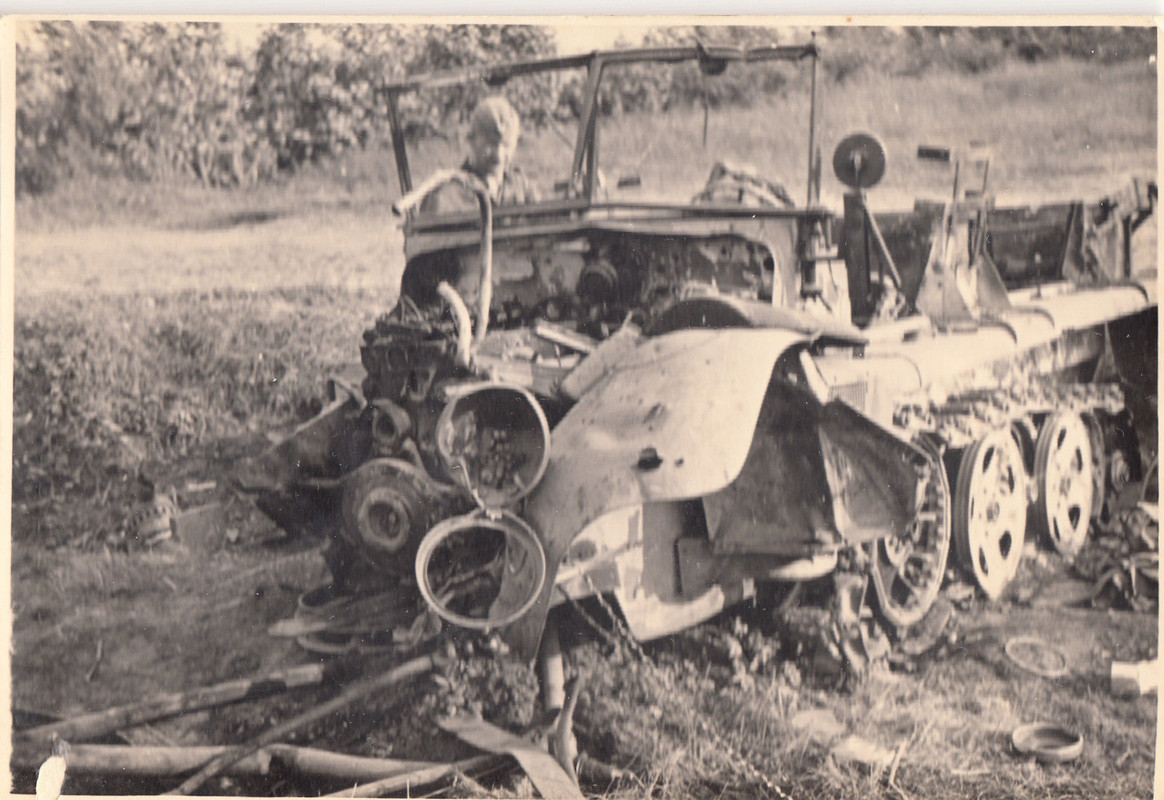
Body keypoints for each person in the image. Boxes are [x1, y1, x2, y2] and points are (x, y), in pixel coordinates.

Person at [419, 95, 537, 214]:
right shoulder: (445, 196)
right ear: (471, 139)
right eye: (491, 145)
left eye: (507, 146)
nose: (499, 157)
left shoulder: (521, 187)